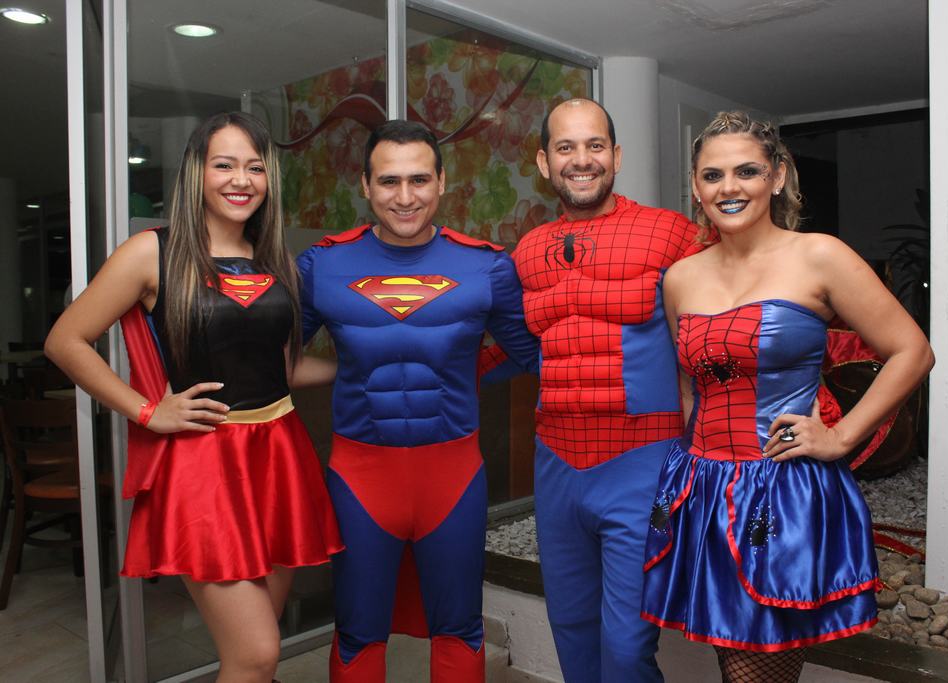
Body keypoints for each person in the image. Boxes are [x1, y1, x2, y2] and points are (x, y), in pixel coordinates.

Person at [45, 112, 344, 682]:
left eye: (255, 167)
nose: (242, 179)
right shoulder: (151, 252)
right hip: (204, 465)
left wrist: (356, 369)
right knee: (256, 654)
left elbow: (281, 366)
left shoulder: (273, 257)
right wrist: (148, 411)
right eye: (224, 164)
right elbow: (66, 340)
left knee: (255, 653)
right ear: (196, 174)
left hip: (280, 456)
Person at [641, 111, 934, 682]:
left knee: (753, 670)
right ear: (696, 188)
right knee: (733, 659)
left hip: (780, 491)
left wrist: (842, 435)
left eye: (746, 170)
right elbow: (687, 385)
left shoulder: (819, 255)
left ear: (777, 176)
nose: (729, 188)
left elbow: (912, 351)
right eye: (712, 175)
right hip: (702, 487)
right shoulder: (680, 278)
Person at [297, 119, 539, 682]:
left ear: (441, 181)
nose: (405, 198)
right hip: (361, 475)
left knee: (458, 626)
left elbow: (530, 353)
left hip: (452, 474)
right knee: (358, 629)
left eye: (419, 180)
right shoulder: (322, 265)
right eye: (388, 182)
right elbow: (272, 356)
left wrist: (463, 372)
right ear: (364, 185)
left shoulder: (487, 265)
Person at [511, 98, 704, 683]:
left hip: (641, 461)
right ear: (544, 162)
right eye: (565, 147)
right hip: (557, 466)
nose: (582, 159)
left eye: (595, 145)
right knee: (572, 631)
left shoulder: (673, 234)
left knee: (625, 649)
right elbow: (509, 348)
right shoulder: (526, 252)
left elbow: (724, 326)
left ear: (616, 155)